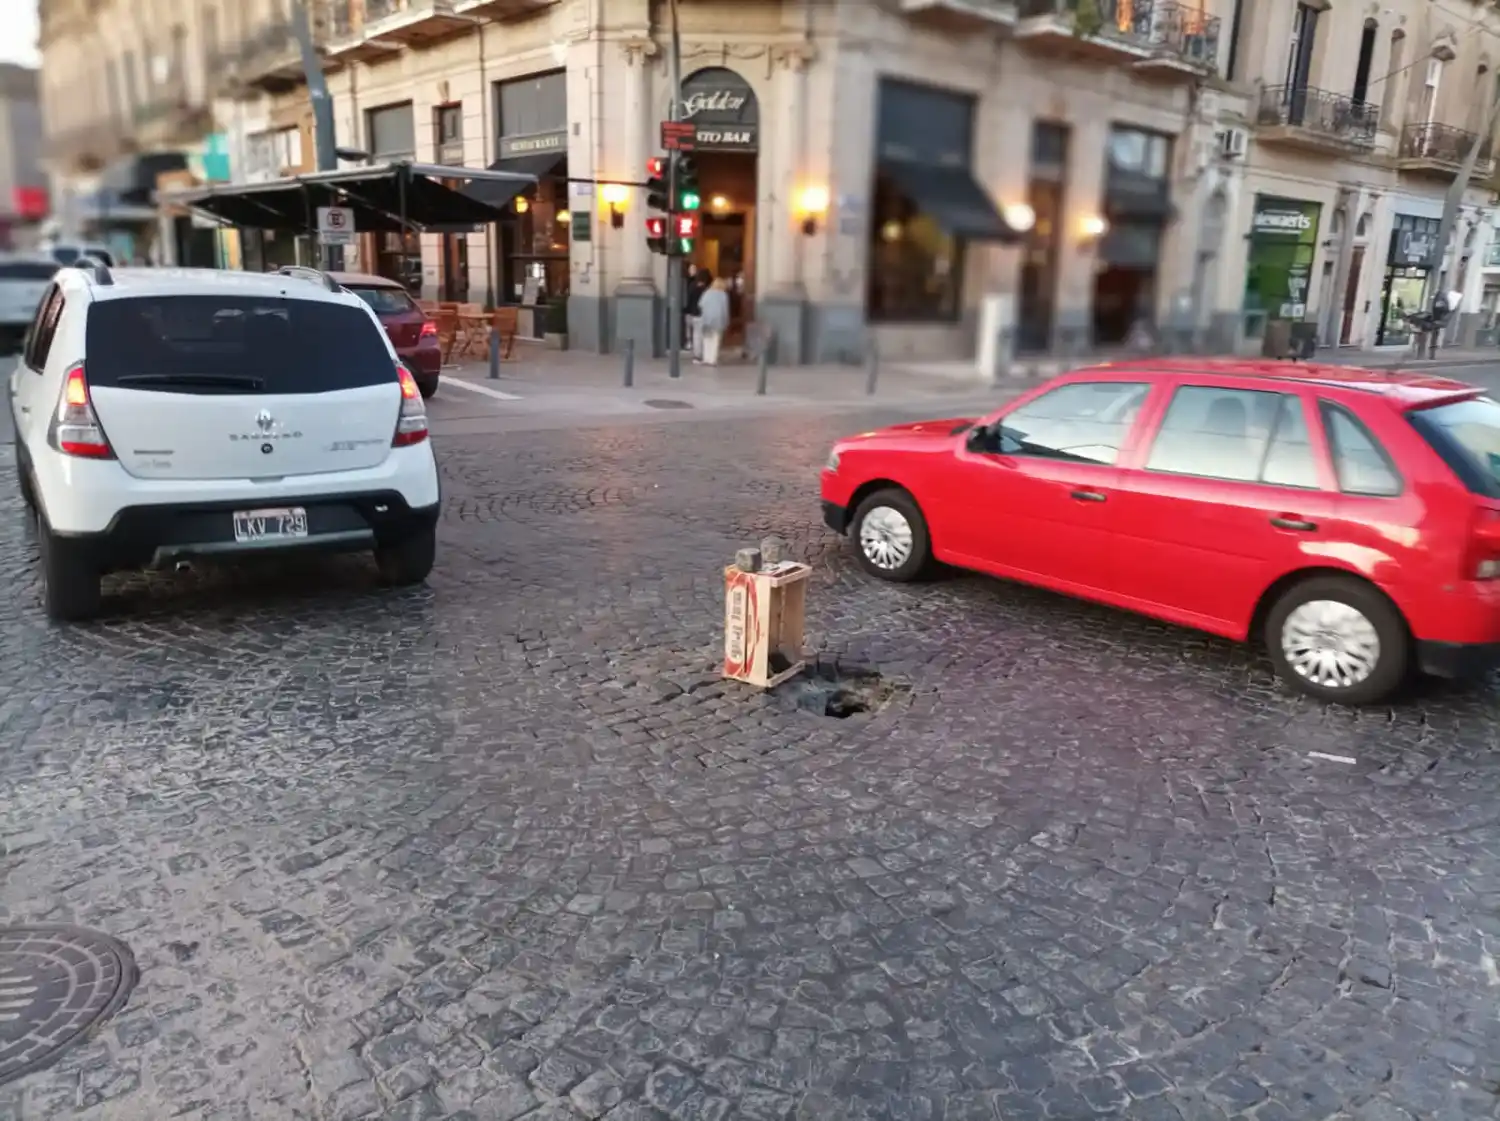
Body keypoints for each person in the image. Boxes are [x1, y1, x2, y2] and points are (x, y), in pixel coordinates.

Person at [696, 277, 730, 366]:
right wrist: (726, 321)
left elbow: (700, 304)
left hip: (707, 319)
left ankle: (706, 358)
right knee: (715, 340)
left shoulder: (707, 293)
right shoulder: (723, 295)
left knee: (707, 339)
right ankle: (712, 359)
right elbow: (725, 309)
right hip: (718, 319)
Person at [685, 266, 712, 357]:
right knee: (705, 335)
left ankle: (697, 354)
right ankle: (705, 353)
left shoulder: (692, 285)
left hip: (693, 313)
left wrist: (687, 310)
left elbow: (689, 298)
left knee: (696, 335)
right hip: (704, 314)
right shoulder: (708, 288)